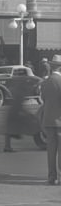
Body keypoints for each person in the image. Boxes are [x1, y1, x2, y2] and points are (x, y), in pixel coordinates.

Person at [40, 55, 61, 185]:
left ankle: (51, 177)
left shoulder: (46, 82)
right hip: (60, 121)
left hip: (48, 120)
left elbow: (43, 99)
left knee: (51, 151)